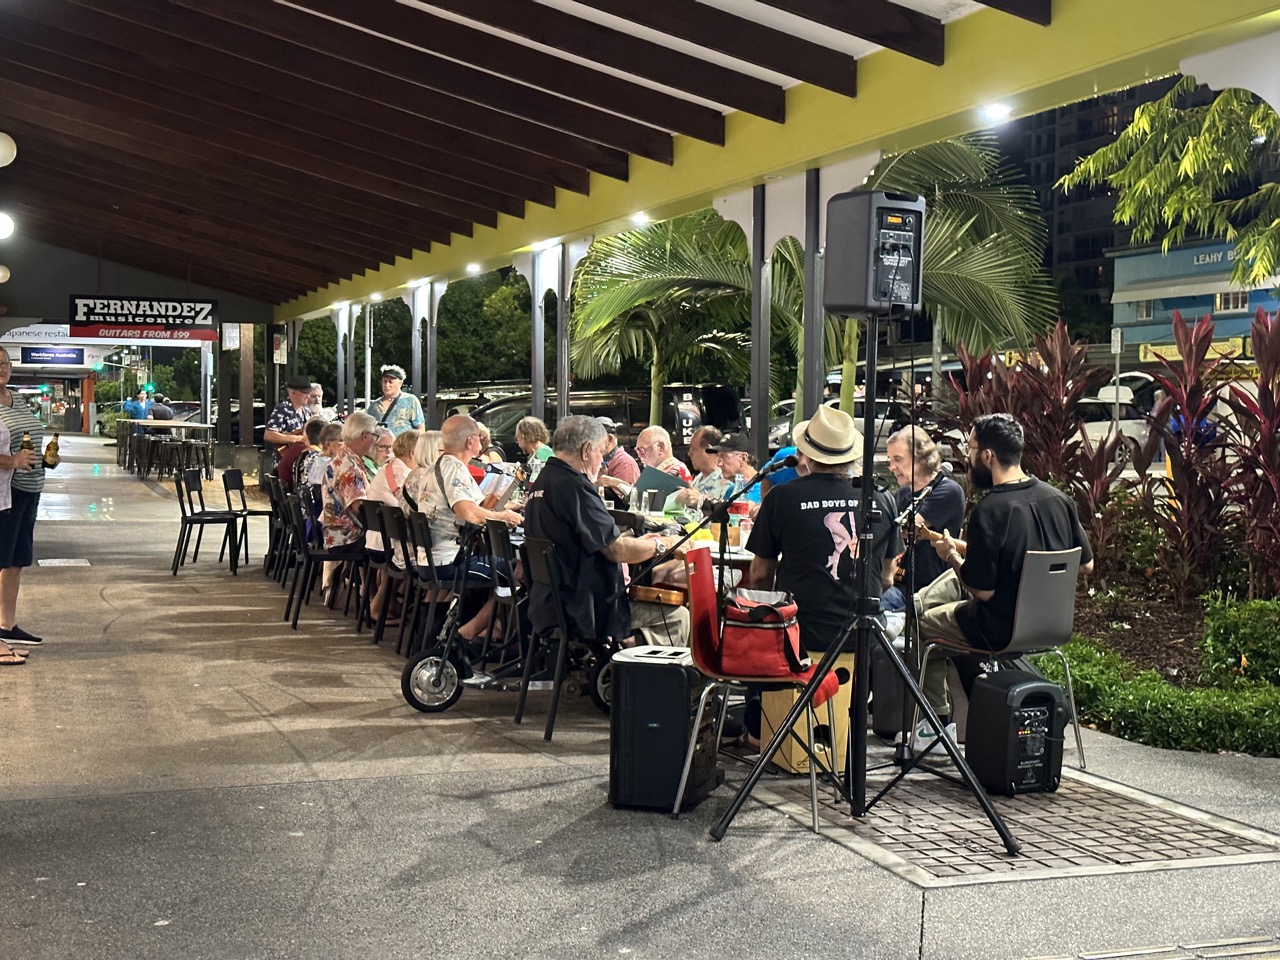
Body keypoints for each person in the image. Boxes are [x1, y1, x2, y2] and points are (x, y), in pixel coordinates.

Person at [914, 412, 1094, 739]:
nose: (968, 459)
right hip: (1053, 626)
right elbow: (1085, 565)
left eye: (970, 450)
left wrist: (950, 555)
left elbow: (981, 592)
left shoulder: (990, 510)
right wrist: (963, 547)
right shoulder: (1059, 500)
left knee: (921, 619)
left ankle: (935, 724)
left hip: (997, 628)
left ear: (988, 456)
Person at [747, 404, 900, 657]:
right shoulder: (882, 497)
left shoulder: (781, 497)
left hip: (798, 635)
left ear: (805, 454)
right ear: (851, 454)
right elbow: (886, 577)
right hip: (863, 636)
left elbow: (760, 574)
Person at [522, 416, 687, 647]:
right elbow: (616, 551)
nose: (601, 461)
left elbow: (588, 539)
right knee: (679, 616)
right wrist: (665, 544)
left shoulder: (543, 479)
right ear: (586, 450)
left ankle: (620, 655)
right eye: (600, 452)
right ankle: (628, 663)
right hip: (585, 608)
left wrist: (638, 540)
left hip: (550, 601)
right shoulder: (575, 487)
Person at [418, 415, 522, 642]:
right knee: (517, 572)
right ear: (470, 441)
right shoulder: (455, 469)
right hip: (448, 561)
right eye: (478, 438)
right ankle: (471, 636)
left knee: (502, 568)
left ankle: (489, 633)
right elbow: (468, 512)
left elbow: (474, 505)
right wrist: (503, 516)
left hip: (430, 559)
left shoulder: (438, 465)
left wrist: (506, 506)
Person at [0, 345, 56, 649]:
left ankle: (6, 625)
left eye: (5, 363)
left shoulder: (16, 398)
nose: (2, 368)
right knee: (0, 560)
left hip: (30, 489)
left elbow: (30, 439)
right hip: (5, 492)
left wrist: (47, 460)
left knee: (16, 561)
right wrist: (11, 462)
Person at [881, 425, 966, 613]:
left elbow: (907, 527)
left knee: (875, 619)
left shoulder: (947, 490)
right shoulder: (903, 494)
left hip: (926, 589)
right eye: (890, 460)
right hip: (899, 583)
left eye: (898, 459)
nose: (891, 466)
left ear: (920, 459)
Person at [674, 426, 730, 509]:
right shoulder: (699, 477)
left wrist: (700, 500)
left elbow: (724, 513)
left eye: (693, 449)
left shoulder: (726, 480)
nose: (689, 453)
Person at [366, 364, 424, 436]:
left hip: (405, 446)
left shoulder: (410, 401)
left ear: (400, 383)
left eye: (390, 382)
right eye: (385, 381)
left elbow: (420, 428)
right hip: (383, 446)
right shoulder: (374, 406)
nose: (387, 385)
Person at [278, 417, 327, 495]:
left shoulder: (302, 455)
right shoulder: (319, 459)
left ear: (306, 437)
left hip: (298, 501)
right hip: (309, 505)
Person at [264, 375, 312, 455]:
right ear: (292, 393)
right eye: (304, 393)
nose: (308, 396)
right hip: (284, 459)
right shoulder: (282, 409)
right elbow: (268, 435)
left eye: (309, 392)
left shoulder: (307, 411)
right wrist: (295, 438)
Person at [596, 417, 639, 487]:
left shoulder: (625, 463)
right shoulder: (601, 460)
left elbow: (624, 496)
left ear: (609, 439)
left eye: (594, 440)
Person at [515, 416, 553, 481]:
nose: (518, 444)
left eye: (518, 439)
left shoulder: (544, 453)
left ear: (525, 436)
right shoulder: (534, 454)